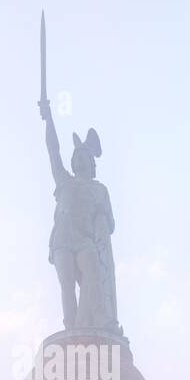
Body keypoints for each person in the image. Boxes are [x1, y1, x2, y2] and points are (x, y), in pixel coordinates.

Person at [40, 101, 121, 335]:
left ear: (90, 162)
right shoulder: (64, 181)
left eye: (82, 156)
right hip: (62, 240)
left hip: (85, 240)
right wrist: (49, 119)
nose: (77, 159)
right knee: (66, 285)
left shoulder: (99, 189)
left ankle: (91, 322)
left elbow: (110, 225)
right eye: (75, 156)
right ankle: (72, 328)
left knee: (92, 276)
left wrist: (101, 224)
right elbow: (53, 151)